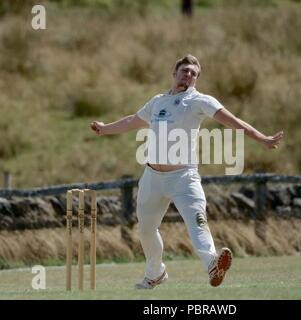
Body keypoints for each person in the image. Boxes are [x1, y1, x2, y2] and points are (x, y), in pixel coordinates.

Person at [90, 54, 284, 289]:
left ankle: (213, 264)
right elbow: (133, 120)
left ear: (196, 79)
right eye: (185, 71)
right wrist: (104, 128)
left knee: (197, 221)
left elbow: (232, 121)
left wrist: (262, 138)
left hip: (183, 177)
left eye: (193, 73)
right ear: (174, 74)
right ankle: (155, 272)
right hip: (152, 177)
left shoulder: (199, 101)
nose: (189, 75)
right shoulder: (157, 101)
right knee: (146, 229)